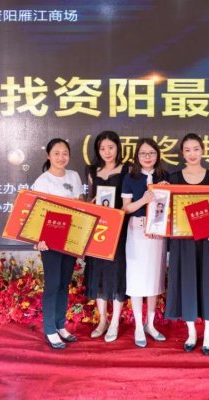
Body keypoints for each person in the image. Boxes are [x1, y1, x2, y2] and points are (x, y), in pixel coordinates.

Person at [165, 133, 209, 356]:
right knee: (187, 283)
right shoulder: (172, 178)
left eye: (196, 149)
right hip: (183, 242)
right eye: (187, 150)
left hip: (208, 240)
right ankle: (191, 332)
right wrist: (160, 191)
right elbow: (166, 210)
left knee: (208, 284)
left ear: (203, 151)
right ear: (182, 153)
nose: (192, 154)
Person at [32, 138, 83, 349]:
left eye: (65, 153)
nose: (61, 157)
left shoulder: (74, 176)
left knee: (64, 283)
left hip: (71, 238)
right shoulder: (43, 181)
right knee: (53, 284)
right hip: (50, 239)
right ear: (48, 156)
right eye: (56, 153)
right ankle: (50, 329)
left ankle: (60, 325)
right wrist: (39, 239)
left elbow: (81, 204)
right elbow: (36, 212)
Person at [121, 138, 169, 347]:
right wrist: (144, 199)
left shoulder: (164, 176)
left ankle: (150, 324)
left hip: (157, 233)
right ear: (137, 156)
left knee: (154, 278)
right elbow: (126, 208)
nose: (147, 157)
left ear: (157, 155)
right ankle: (139, 326)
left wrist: (168, 191)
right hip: (137, 231)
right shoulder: (130, 177)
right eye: (143, 153)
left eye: (151, 153)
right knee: (136, 280)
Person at [84, 131, 129, 342]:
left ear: (118, 148)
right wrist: (90, 203)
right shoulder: (92, 170)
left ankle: (115, 321)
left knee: (117, 271)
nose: (107, 152)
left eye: (111, 147)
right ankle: (102, 319)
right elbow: (90, 198)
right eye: (102, 148)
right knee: (98, 272)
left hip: (119, 229)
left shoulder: (127, 169)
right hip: (98, 229)